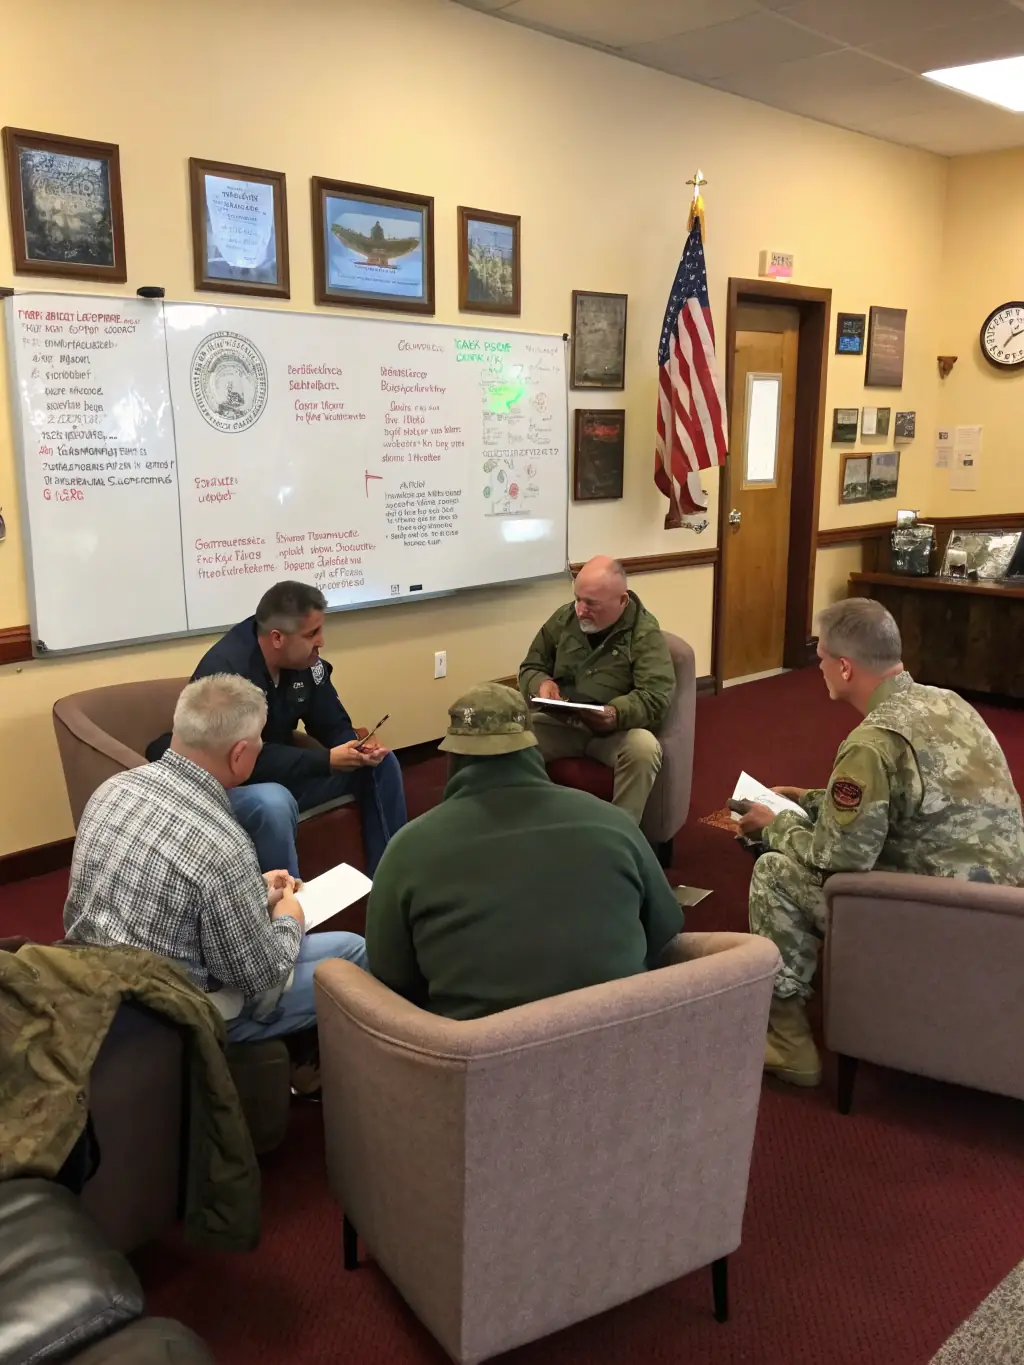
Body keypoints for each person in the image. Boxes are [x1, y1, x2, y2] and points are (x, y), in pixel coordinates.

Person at [738, 597, 1024, 1088]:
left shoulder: (870, 742)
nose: (819, 666)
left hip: (930, 919)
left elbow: (838, 859)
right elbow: (911, 802)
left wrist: (773, 826)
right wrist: (810, 800)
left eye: (821, 656)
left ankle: (789, 1046)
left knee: (773, 871)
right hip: (1003, 914)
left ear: (845, 667)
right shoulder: (949, 703)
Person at [65, 674, 368, 1062]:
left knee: (343, 946)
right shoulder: (223, 843)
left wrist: (254, 889)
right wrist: (290, 916)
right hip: (170, 1014)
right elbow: (260, 976)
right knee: (353, 956)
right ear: (239, 755)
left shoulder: (112, 790)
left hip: (89, 983)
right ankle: (320, 1070)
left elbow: (172, 892)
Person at [365, 682, 683, 1020]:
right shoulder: (617, 826)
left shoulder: (407, 850)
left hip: (478, 1057)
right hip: (619, 1043)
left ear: (452, 757)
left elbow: (391, 975)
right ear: (533, 747)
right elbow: (666, 928)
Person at [148, 581, 407, 877]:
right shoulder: (228, 672)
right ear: (277, 638)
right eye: (311, 634)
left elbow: (331, 721)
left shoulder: (306, 662)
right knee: (273, 801)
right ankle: (286, 912)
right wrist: (326, 760)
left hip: (286, 772)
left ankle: (390, 881)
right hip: (235, 783)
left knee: (382, 764)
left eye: (321, 630)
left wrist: (354, 748)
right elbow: (240, 758)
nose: (321, 641)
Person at [517, 556, 676, 824]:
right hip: (563, 724)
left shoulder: (644, 633)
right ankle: (520, 826)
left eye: (591, 603)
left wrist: (615, 713)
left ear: (622, 601)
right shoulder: (564, 617)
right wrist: (541, 683)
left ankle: (619, 838)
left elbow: (656, 697)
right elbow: (531, 666)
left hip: (614, 733)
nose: (580, 610)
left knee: (644, 749)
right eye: (578, 599)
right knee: (508, 733)